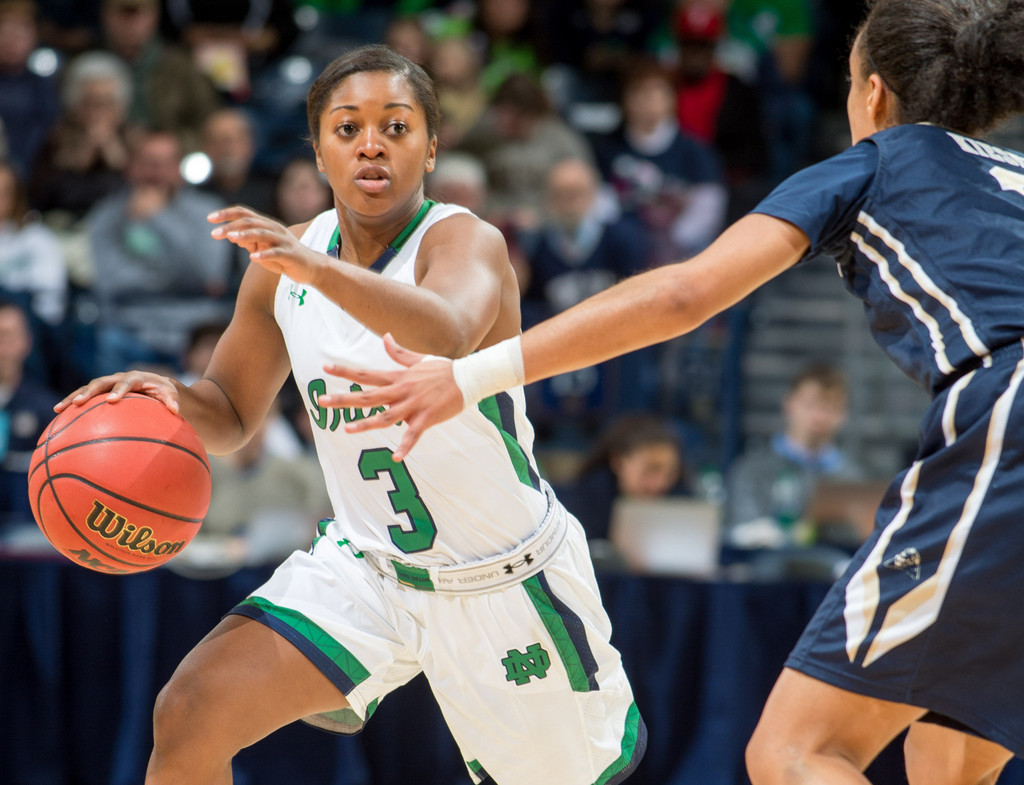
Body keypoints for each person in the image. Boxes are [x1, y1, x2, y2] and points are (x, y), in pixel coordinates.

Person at [325, 2, 1024, 782]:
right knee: (948, 757)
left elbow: (681, 296)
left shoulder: (881, 158)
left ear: (873, 95)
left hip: (1010, 407)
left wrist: (469, 374)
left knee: (797, 752)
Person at [56, 44, 645, 785]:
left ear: (431, 148)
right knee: (190, 711)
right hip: (368, 568)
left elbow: (449, 330)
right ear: (319, 147)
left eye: (396, 127)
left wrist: (316, 269)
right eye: (348, 127)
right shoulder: (289, 263)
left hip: (503, 579)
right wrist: (167, 398)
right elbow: (234, 410)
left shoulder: (464, 241)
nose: (371, 142)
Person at [85, 128, 232, 374]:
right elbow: (109, 282)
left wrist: (158, 217)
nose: (156, 171)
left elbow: (209, 275)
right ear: (131, 166)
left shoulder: (208, 211)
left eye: (165, 162)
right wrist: (178, 280)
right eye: (148, 162)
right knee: (104, 338)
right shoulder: (106, 216)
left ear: (179, 167)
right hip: (130, 327)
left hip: (194, 328)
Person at [723, 362, 859, 549]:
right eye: (811, 405)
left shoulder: (855, 479)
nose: (819, 417)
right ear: (789, 403)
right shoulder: (751, 470)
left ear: (844, 415)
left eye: (831, 408)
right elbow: (741, 530)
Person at [557, 411, 687, 543]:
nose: (660, 483)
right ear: (618, 462)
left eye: (671, 473)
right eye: (651, 469)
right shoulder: (566, 513)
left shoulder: (684, 505)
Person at [0, 297, 60, 527]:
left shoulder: (49, 409)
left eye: (7, 336)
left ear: (26, 342)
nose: (2, 348)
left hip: (31, 535)